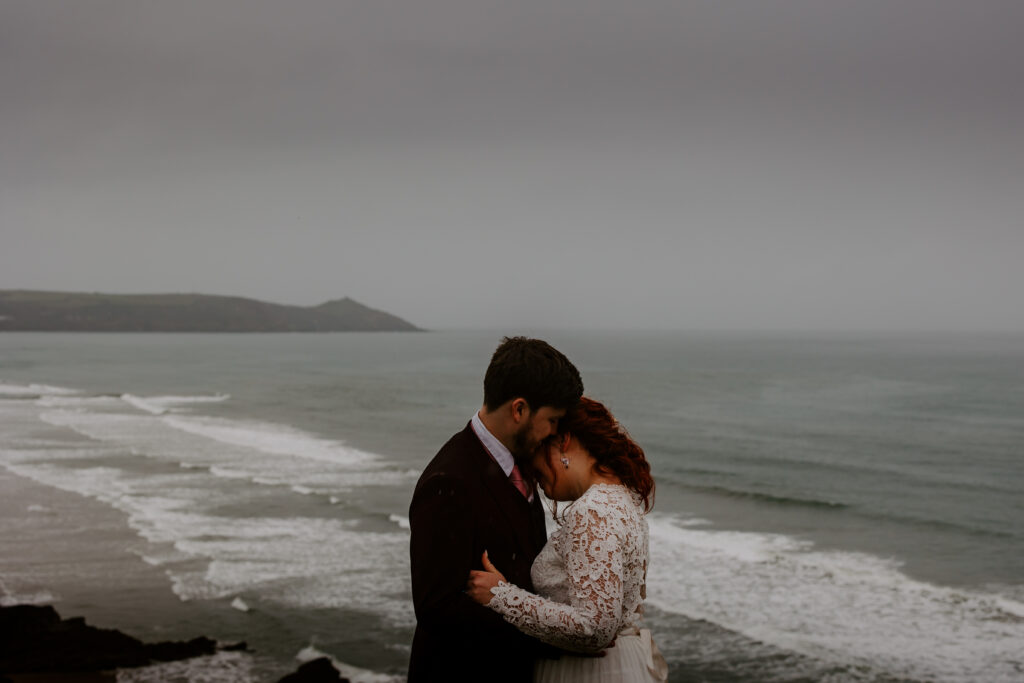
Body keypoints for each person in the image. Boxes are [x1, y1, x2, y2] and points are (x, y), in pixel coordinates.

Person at [407, 336, 584, 683]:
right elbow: (436, 609)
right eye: (552, 420)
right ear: (519, 410)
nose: (555, 433)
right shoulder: (449, 481)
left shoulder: (521, 464)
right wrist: (549, 634)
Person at [466, 397, 668, 682]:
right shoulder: (623, 498)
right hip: (619, 664)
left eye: (536, 458)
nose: (534, 478)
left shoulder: (592, 512)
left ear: (563, 443)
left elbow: (594, 627)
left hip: (588, 673)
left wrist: (501, 595)